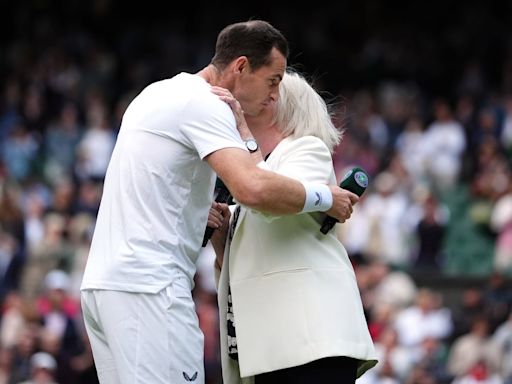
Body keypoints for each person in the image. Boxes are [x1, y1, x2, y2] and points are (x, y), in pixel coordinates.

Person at [79, 20, 359, 384]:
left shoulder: (154, 93)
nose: (274, 94)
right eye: (272, 80)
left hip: (105, 285)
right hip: (151, 289)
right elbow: (252, 189)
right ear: (240, 67)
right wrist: (326, 197)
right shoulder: (208, 104)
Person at [210, 70, 378, 384]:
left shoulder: (306, 148)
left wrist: (242, 130)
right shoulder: (256, 172)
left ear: (277, 105)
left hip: (310, 340)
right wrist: (222, 235)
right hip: (270, 344)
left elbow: (268, 199)